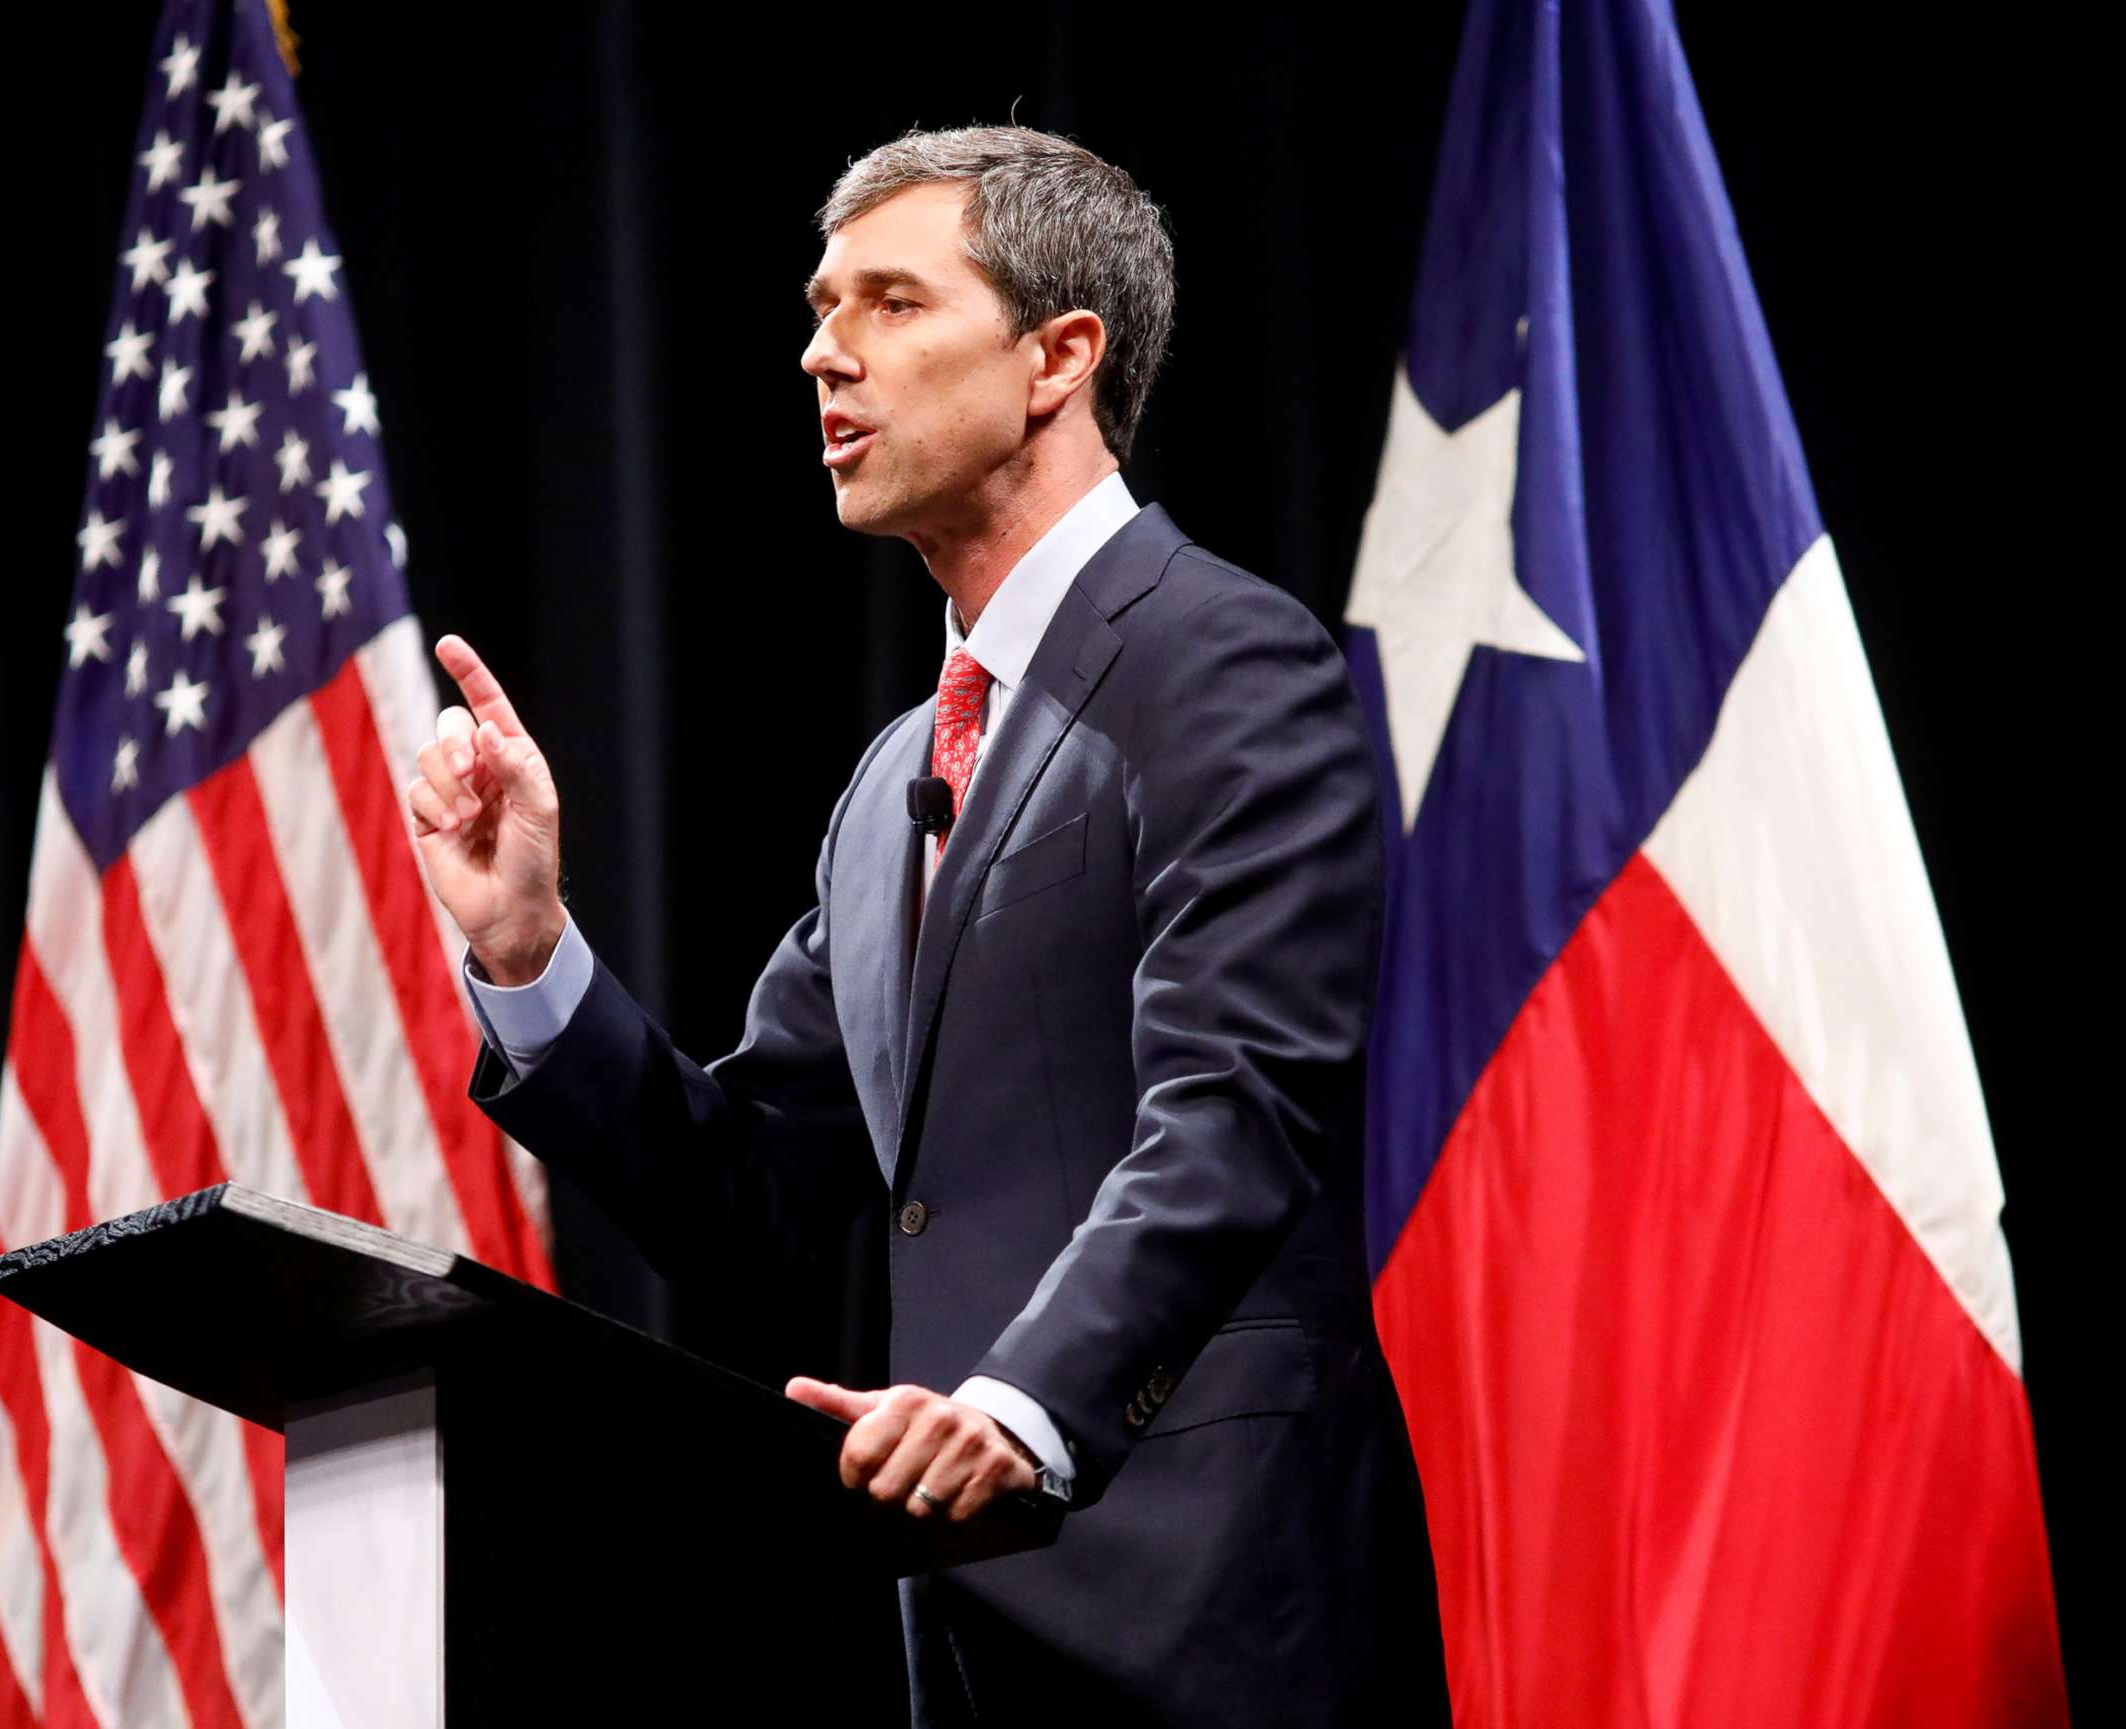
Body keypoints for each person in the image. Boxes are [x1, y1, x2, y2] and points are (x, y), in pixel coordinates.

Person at [406, 126, 1446, 1727]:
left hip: (1213, 1611)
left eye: (891, 302)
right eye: (825, 306)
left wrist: (1023, 1404)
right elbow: (748, 1191)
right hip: (952, 1632)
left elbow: (1236, 1115)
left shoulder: (1229, 661)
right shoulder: (903, 770)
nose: (825, 350)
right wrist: (532, 951)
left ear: (1057, 357)